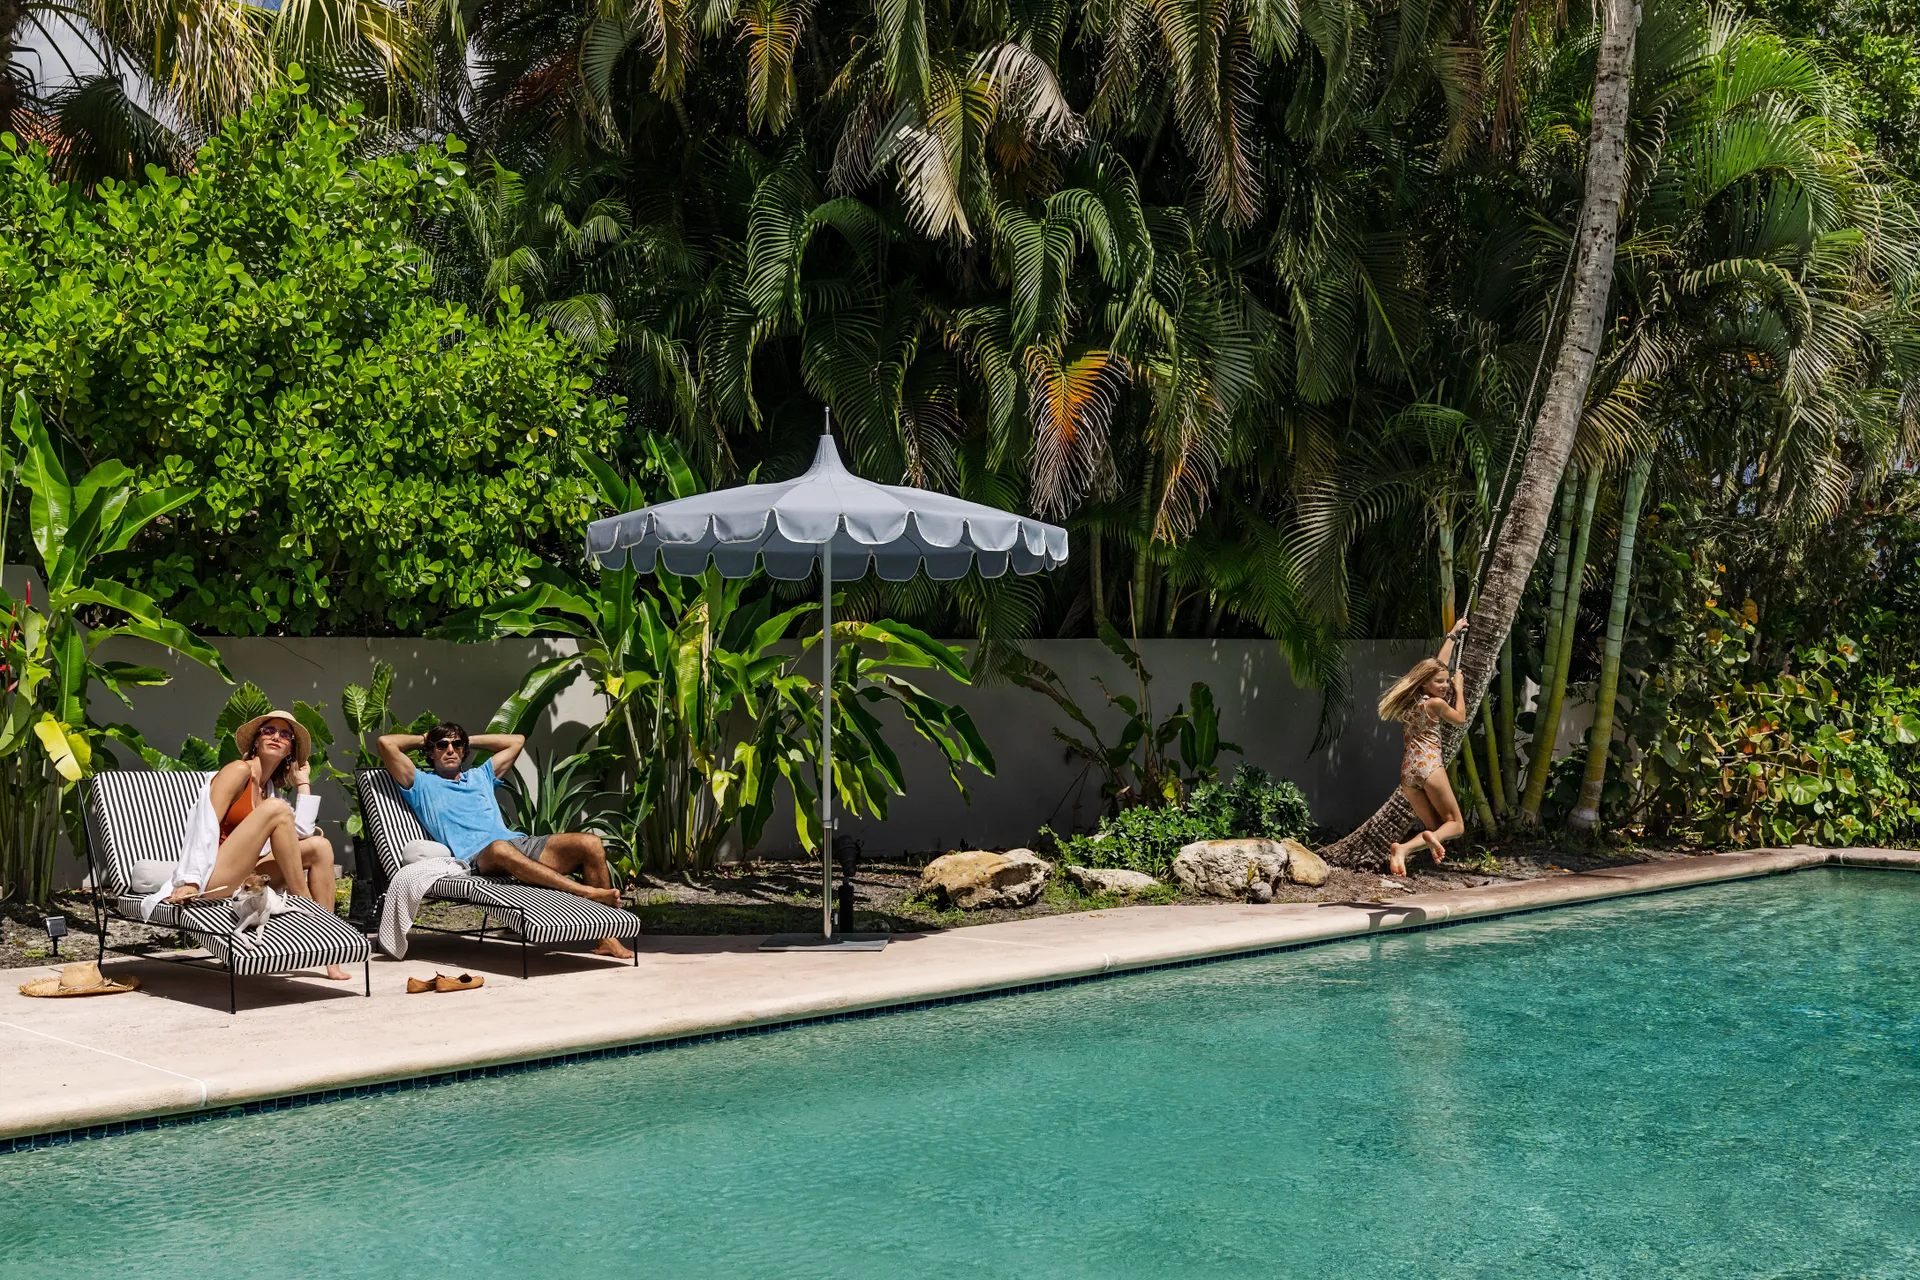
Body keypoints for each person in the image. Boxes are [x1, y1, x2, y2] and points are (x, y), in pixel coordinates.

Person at [377, 723, 634, 960]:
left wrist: (467, 739)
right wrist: (426, 738)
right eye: (442, 745)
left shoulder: (481, 776)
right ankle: (586, 892)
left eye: (457, 745)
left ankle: (606, 939)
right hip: (481, 857)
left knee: (590, 843)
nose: (450, 750)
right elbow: (386, 743)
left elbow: (516, 741)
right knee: (500, 848)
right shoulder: (421, 783)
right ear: (431, 752)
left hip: (518, 845)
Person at [163, 709, 351, 981]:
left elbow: (301, 833)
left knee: (319, 847)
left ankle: (330, 953)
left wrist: (303, 783)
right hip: (215, 877)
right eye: (269, 730)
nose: (277, 736)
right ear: (255, 741)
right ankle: (305, 903)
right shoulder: (238, 771)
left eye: (285, 735)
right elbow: (204, 826)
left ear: (290, 751)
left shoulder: (271, 793)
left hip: (248, 876)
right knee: (277, 810)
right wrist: (190, 879)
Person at [1378, 618, 1471, 877]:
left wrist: (1451, 636)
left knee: (1437, 828)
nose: (1444, 685)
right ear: (1425, 684)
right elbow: (1460, 719)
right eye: (1439, 683)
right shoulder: (1436, 705)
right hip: (1429, 766)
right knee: (1456, 825)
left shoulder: (1413, 702)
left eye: (1445, 681)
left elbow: (1437, 668)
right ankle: (1404, 849)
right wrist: (1459, 689)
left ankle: (1414, 846)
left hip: (1409, 773)